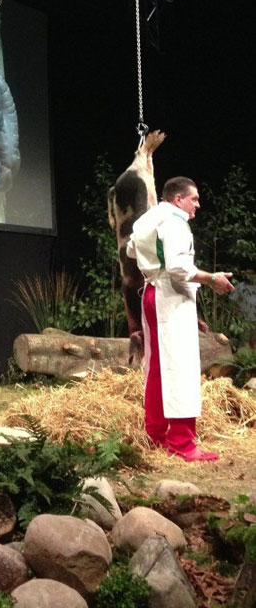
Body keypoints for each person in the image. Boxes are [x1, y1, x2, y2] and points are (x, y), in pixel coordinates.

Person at [126, 176, 234, 462]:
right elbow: (176, 267)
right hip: (169, 295)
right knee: (180, 367)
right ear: (178, 199)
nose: (198, 204)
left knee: (158, 366)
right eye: (194, 199)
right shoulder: (175, 221)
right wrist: (212, 278)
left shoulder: (150, 218)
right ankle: (182, 443)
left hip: (151, 293)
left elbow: (130, 249)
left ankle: (157, 433)